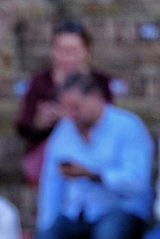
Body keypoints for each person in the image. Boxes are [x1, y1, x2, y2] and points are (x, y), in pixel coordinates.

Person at [33, 74, 154, 239]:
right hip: (78, 214)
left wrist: (95, 174)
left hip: (121, 209)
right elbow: (52, 184)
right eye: (67, 108)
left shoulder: (129, 127)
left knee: (108, 237)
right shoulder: (64, 131)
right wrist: (47, 224)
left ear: (97, 98)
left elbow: (137, 182)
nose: (72, 114)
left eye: (76, 106)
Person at [15, 20, 113, 186]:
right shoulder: (40, 82)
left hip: (93, 152)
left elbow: (111, 121)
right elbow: (24, 125)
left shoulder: (100, 81)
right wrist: (40, 122)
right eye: (62, 50)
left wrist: (75, 117)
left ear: (86, 51)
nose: (67, 57)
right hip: (50, 158)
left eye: (74, 51)